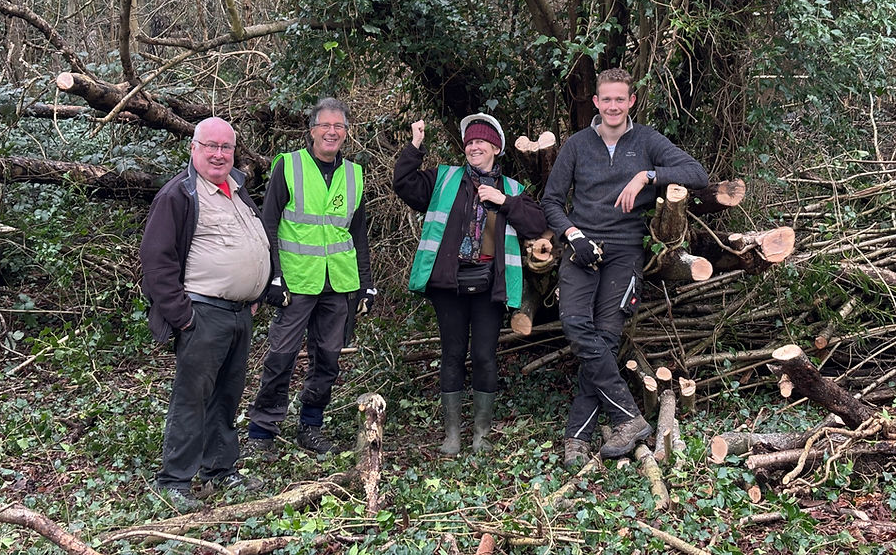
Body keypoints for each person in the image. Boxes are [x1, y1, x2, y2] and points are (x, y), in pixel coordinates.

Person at [541, 68, 709, 467]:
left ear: (631, 101)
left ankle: (577, 439)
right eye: (606, 99)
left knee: (605, 336)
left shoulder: (647, 140)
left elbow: (698, 175)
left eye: (621, 99)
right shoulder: (577, 145)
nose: (613, 106)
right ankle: (628, 417)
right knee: (576, 326)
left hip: (624, 252)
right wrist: (573, 235)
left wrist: (649, 175)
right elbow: (550, 201)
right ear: (596, 103)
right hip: (583, 248)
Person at [393, 113, 547, 454]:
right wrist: (415, 146)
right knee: (451, 355)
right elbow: (405, 185)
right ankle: (452, 436)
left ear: (495, 148)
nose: (474, 146)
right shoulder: (446, 179)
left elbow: (536, 224)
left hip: (489, 288)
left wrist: (501, 201)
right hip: (448, 285)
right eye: (469, 142)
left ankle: (482, 435)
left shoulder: (512, 189)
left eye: (481, 141)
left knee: (484, 356)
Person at [141, 117, 270, 513]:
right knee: (192, 398)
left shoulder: (237, 190)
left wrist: (255, 292)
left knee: (227, 397)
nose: (219, 154)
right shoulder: (179, 194)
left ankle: (220, 469)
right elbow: (156, 259)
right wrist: (183, 316)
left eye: (226, 147)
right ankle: (175, 480)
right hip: (203, 312)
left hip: (238, 314)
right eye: (210, 146)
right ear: (193, 148)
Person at [247, 97, 375, 455]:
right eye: (326, 126)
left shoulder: (354, 174)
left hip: (339, 283)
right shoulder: (289, 166)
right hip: (296, 281)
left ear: (346, 134)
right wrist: (272, 277)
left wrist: (367, 283)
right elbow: (267, 223)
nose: (332, 132)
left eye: (339, 127)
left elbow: (359, 233)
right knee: (281, 354)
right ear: (312, 130)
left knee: (328, 358)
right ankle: (262, 431)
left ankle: (311, 426)